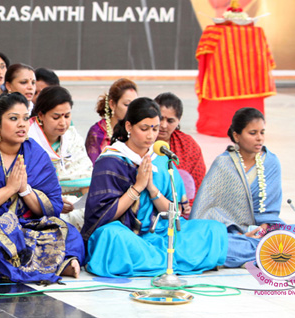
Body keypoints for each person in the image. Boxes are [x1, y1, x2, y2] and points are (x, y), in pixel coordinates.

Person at [82, 98, 227, 278]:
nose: (151, 135)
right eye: (144, 128)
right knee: (111, 238)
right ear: (129, 126)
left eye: (155, 129)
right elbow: (101, 215)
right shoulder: (111, 161)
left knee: (214, 230)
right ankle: (168, 260)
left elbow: (176, 213)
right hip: (128, 234)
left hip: (160, 232)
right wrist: (138, 186)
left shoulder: (161, 159)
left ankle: (158, 259)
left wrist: (152, 189)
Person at [0, 93, 85, 282]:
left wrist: (24, 190)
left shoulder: (37, 156)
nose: (22, 124)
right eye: (13, 119)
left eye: (25, 118)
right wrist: (8, 189)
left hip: (28, 227)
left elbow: (52, 209)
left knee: (70, 234)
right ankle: (54, 264)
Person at [192, 108, 295, 268]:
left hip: (265, 233)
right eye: (252, 133)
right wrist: (240, 233)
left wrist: (262, 230)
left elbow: (271, 212)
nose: (259, 138)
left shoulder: (271, 162)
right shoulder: (223, 164)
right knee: (211, 241)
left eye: (262, 132)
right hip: (233, 235)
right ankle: (269, 255)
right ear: (236, 136)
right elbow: (207, 211)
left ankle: (252, 255)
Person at [28, 86, 91, 229]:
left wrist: (89, 202)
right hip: (39, 203)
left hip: (73, 202)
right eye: (56, 117)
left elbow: (86, 177)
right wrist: (53, 202)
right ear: (41, 115)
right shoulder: (28, 140)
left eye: (67, 116)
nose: (63, 123)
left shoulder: (72, 137)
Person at [154, 92, 206, 207]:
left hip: (183, 211)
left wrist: (187, 207)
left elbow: (199, 186)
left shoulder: (189, 145)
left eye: (170, 121)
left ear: (178, 120)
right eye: (160, 119)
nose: (163, 125)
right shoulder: (140, 141)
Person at [85, 79, 138, 163]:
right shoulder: (97, 133)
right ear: (112, 104)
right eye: (127, 105)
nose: (132, 110)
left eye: (135, 105)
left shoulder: (136, 130)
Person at [0, 63, 36, 139]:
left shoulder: (39, 112)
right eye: (23, 82)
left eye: (33, 83)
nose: (30, 87)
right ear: (8, 86)